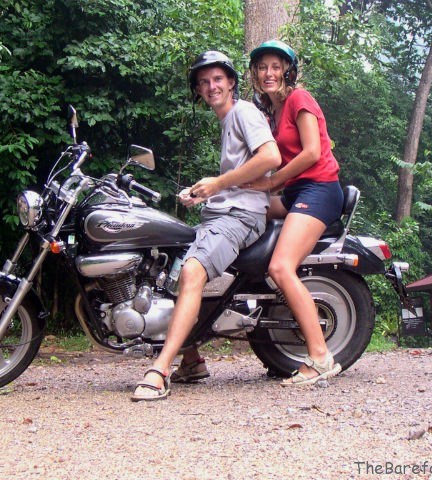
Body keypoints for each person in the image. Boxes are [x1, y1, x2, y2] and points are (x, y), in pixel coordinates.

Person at [131, 51, 281, 401]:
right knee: (167, 269)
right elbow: (234, 178)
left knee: (192, 272)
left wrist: (218, 184)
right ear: (197, 90)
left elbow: (271, 157)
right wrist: (205, 193)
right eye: (203, 82)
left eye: (217, 79)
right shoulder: (227, 120)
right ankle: (192, 358)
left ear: (231, 82)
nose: (210, 86)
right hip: (222, 214)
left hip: (240, 218)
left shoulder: (244, 112)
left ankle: (159, 370)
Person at [246, 39, 344, 386]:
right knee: (241, 213)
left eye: (276, 67)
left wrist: (272, 183)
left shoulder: (299, 99)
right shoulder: (270, 111)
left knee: (280, 265)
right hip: (295, 192)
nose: (269, 73)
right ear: (255, 73)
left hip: (319, 190)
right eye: (262, 67)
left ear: (288, 71)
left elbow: (312, 153)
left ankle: (320, 356)